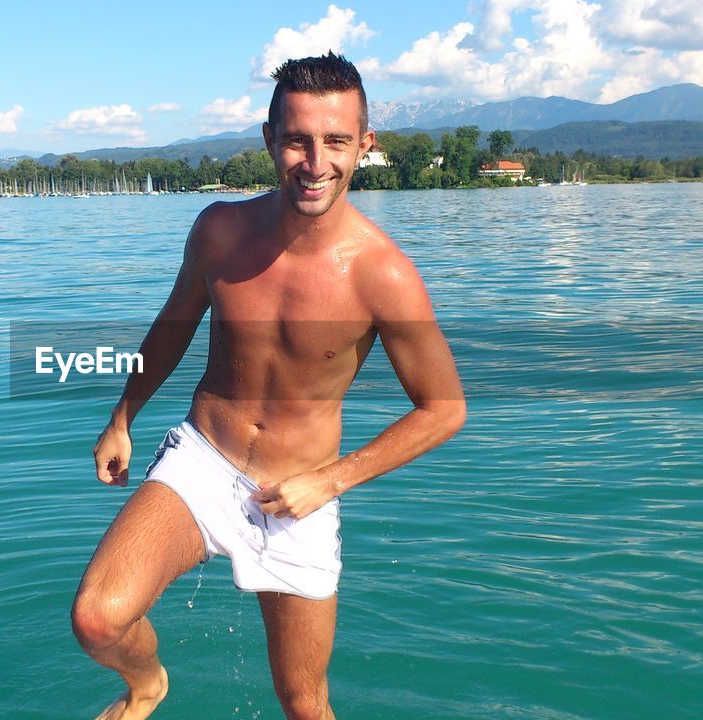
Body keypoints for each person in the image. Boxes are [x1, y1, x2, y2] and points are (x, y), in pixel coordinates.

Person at [70, 52, 466, 720]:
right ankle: (147, 685)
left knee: (304, 704)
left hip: (301, 494)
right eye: (297, 141)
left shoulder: (383, 276)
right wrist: (122, 417)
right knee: (97, 620)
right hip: (204, 459)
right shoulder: (220, 232)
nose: (315, 163)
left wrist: (332, 479)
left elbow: (445, 408)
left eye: (336, 141)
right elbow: (172, 327)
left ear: (365, 146)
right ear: (268, 140)